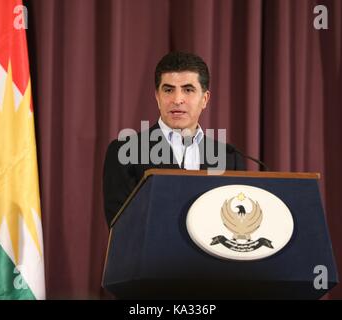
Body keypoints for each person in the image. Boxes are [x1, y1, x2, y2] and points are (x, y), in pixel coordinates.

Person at [103, 52, 245, 227]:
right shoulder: (125, 151)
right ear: (157, 97)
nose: (177, 100)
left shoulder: (229, 156)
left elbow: (234, 223)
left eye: (188, 90)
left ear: (205, 99)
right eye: (168, 90)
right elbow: (123, 226)